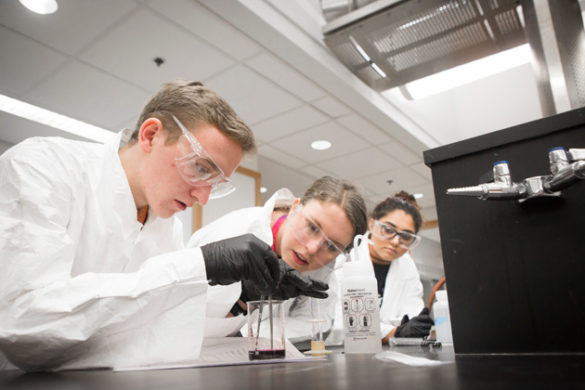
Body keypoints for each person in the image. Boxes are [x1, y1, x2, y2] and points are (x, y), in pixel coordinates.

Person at [0, 80, 327, 371]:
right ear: (151, 134)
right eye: (201, 169)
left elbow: (156, 329)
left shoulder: (166, 224)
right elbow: (21, 322)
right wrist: (196, 264)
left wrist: (241, 298)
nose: (203, 198)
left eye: (216, 183)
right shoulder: (41, 169)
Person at [186, 176, 368, 343]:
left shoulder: (324, 261)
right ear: (295, 208)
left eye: (332, 246)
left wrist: (251, 333)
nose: (313, 249)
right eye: (312, 227)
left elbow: (315, 321)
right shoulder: (233, 231)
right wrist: (241, 303)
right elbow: (184, 321)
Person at [365, 191, 433, 342]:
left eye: (406, 236)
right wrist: (395, 333)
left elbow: (412, 316)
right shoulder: (347, 258)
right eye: (388, 230)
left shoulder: (406, 265)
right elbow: (343, 325)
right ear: (372, 225)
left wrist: (414, 327)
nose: (396, 242)